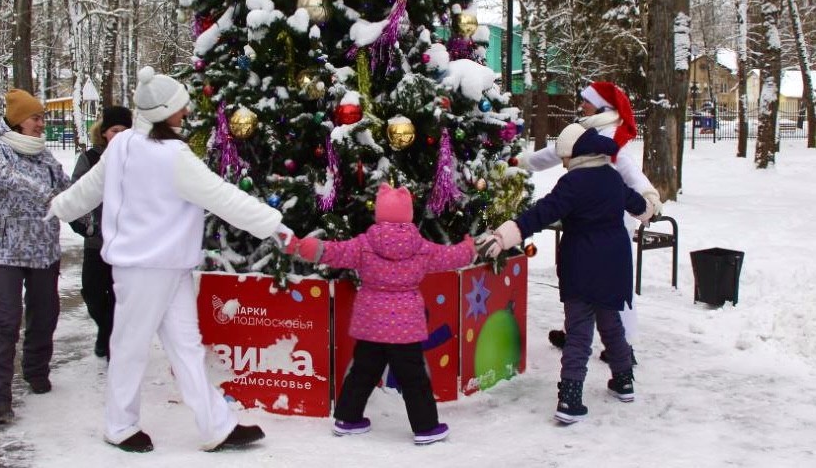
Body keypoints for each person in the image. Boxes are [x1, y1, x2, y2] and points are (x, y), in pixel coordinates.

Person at [47, 66, 294, 454]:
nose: (186, 113)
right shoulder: (170, 155)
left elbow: (88, 190)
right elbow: (223, 196)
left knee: (186, 346)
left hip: (168, 266)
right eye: (180, 108)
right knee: (130, 345)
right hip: (144, 267)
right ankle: (120, 425)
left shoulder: (124, 144)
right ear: (164, 112)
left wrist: (59, 206)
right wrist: (275, 226)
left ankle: (217, 426)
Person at [281, 183, 476, 445]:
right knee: (414, 379)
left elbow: (332, 252)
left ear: (379, 213)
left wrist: (302, 246)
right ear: (408, 215)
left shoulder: (364, 244)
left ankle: (348, 419)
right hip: (405, 329)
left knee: (362, 371)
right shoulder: (421, 247)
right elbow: (450, 257)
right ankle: (426, 427)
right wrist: (469, 248)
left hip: (371, 324)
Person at [479, 123, 647, 423]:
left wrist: (507, 234)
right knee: (611, 323)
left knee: (579, 332)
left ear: (574, 154)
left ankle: (570, 398)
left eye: (565, 157)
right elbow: (639, 206)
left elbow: (542, 212)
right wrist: (649, 207)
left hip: (582, 265)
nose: (564, 162)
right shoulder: (612, 177)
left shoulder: (573, 183)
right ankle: (623, 380)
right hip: (614, 264)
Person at [515, 81, 661, 358]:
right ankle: (576, 334)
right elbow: (556, 152)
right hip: (590, 218)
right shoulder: (589, 129)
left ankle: (623, 346)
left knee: (614, 285)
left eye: (586, 100)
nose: (581, 104)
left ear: (603, 106)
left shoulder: (611, 135)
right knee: (586, 281)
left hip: (611, 220)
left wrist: (647, 195)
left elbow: (629, 170)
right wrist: (522, 162)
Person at [0, 88, 71, 426]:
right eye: (35, 117)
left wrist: (85, 210)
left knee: (45, 311)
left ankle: (36, 370)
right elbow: (6, 179)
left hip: (43, 248)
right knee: (6, 318)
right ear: (18, 120)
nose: (40, 124)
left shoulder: (45, 157)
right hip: (5, 250)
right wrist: (49, 196)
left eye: (42, 117)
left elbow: (68, 187)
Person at [68, 105, 132, 359]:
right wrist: (87, 226)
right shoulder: (90, 158)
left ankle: (113, 344)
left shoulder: (137, 160)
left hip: (128, 244)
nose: (120, 135)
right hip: (97, 242)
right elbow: (77, 194)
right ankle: (107, 330)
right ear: (104, 132)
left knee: (120, 296)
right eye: (115, 130)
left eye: (126, 130)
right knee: (93, 294)